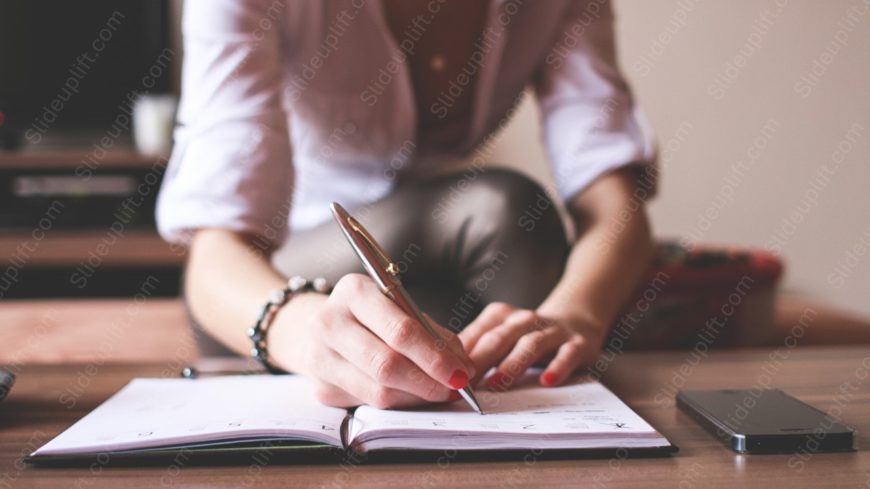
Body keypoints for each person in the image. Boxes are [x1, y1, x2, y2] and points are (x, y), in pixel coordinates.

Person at [156, 0, 658, 409]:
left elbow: (614, 203)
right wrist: (308, 333)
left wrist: (578, 315)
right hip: (272, 303)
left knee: (502, 287)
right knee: (503, 212)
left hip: (436, 284)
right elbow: (215, 257)